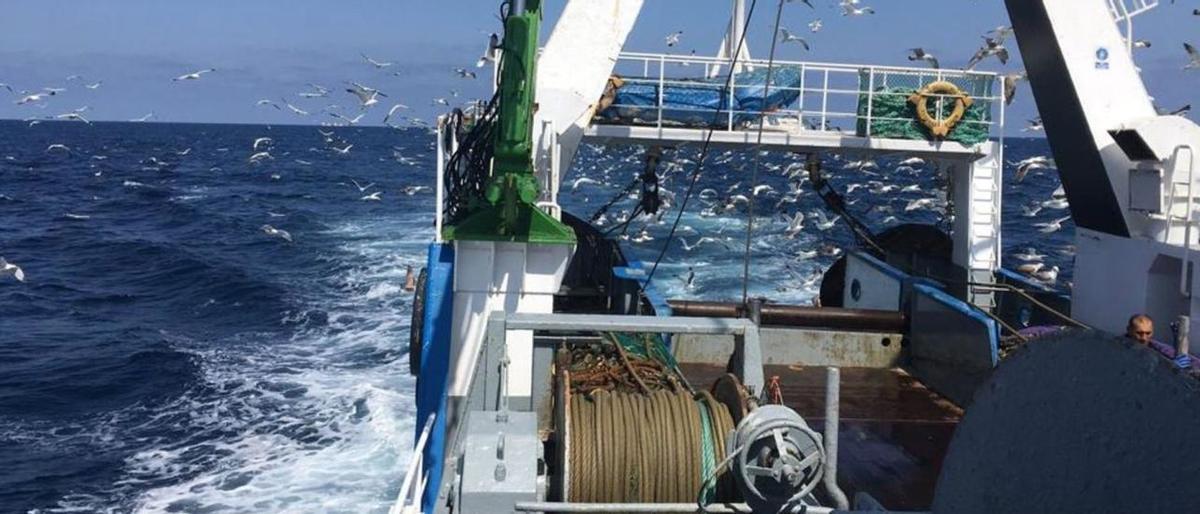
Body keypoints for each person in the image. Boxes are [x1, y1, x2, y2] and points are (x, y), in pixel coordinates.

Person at [1125, 314, 1199, 371]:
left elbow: (1192, 361)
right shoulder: (1117, 347)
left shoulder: (1157, 347)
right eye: (1139, 333)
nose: (1144, 338)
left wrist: (1188, 366)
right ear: (1129, 330)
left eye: (1148, 333)